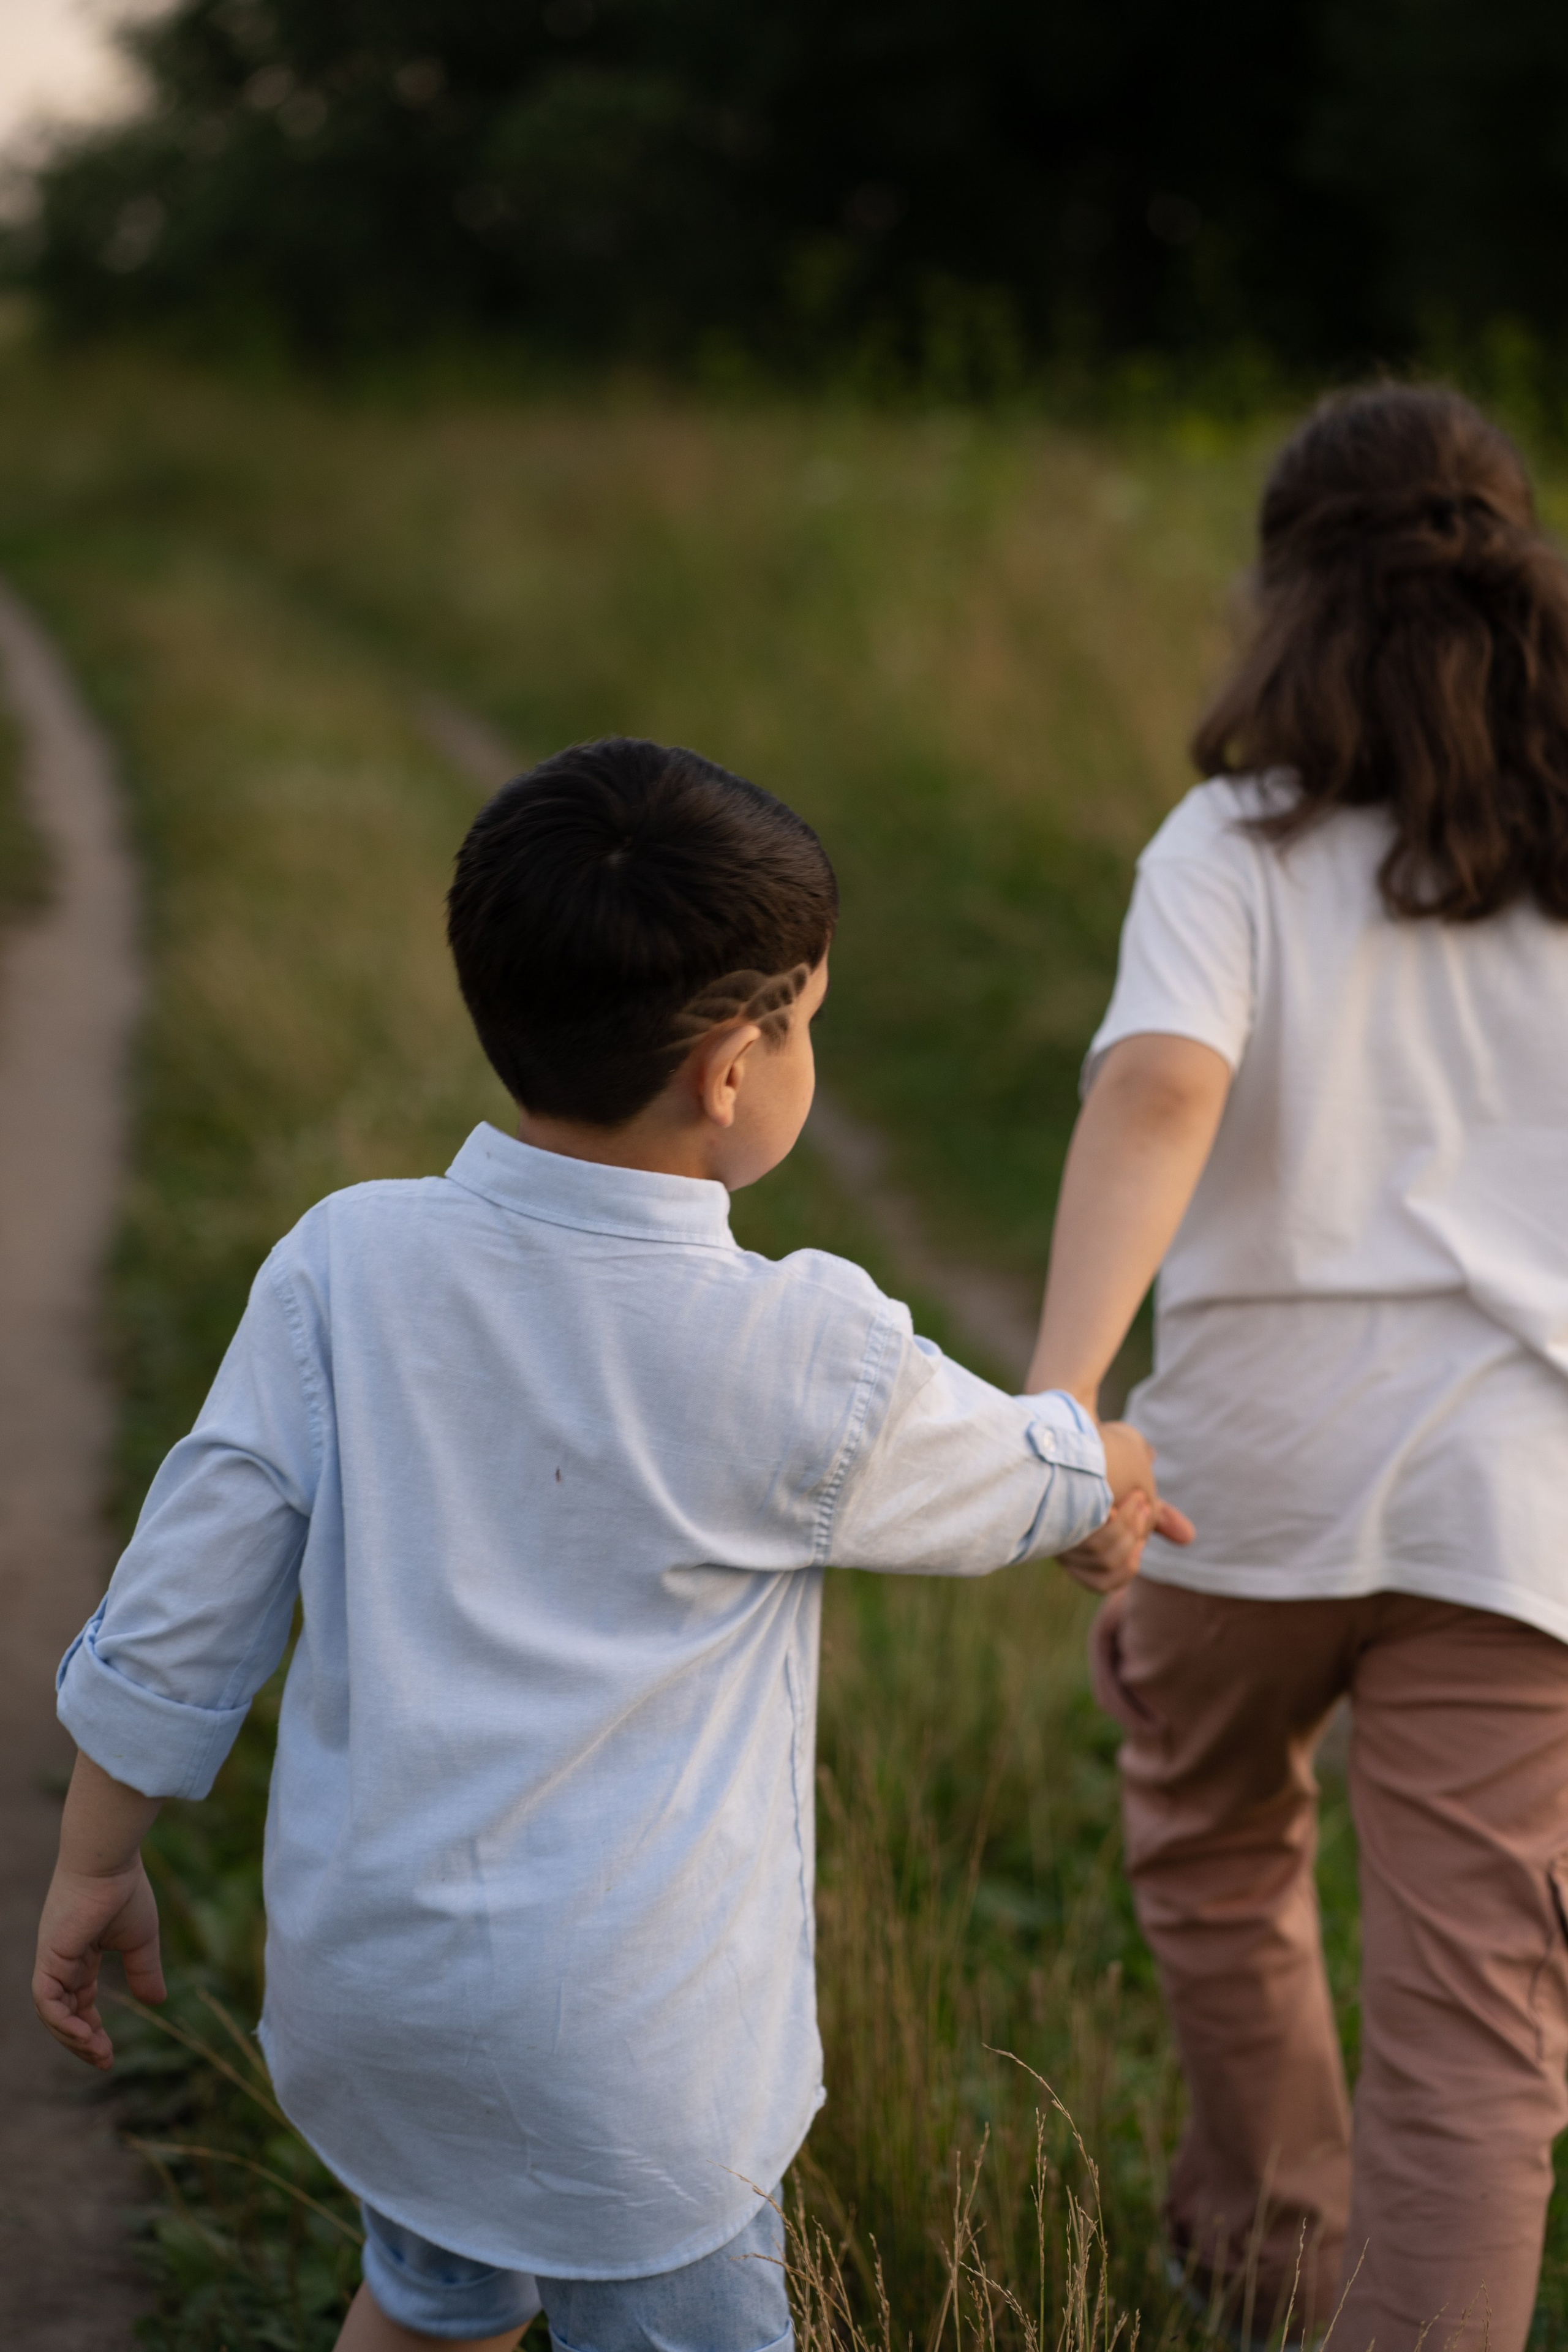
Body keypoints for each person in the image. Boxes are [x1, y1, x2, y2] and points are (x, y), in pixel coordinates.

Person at [34, 737, 1181, 2352]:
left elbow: (184, 1594)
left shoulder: (343, 1266)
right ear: (732, 1067)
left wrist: (96, 1859)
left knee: (432, 2292)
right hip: (640, 2073)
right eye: (811, 1030)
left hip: (386, 2015)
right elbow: (1015, 1473)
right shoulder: (800, 1350)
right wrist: (1114, 1466)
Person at [1027, 383, 1568, 2352]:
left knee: (1211, 1831)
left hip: (1238, 1486)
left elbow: (1165, 1083)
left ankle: (1273, 2251)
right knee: (1480, 2020)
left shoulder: (1233, 844)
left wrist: (1067, 1409)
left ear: (1283, 600)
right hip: (1519, 1512)